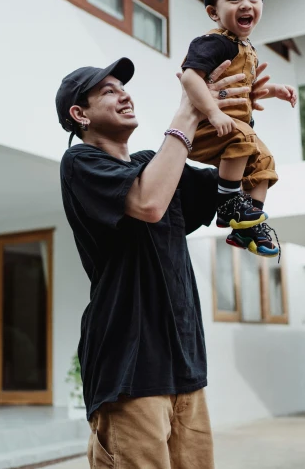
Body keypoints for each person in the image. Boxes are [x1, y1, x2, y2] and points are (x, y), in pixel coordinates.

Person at [57, 57, 261, 468]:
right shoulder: (80, 164)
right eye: (108, 90)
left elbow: (236, 195)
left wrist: (238, 112)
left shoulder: (155, 163)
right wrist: (189, 107)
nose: (124, 94)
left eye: (123, 87)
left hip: (185, 367)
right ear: (79, 114)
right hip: (129, 372)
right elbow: (148, 203)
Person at [180, 0, 296, 259]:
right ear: (213, 12)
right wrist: (214, 113)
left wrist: (274, 91)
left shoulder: (249, 48)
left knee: (265, 160)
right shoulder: (213, 42)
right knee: (244, 136)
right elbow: (191, 77)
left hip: (234, 135)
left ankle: (247, 224)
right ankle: (228, 204)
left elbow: (250, 89)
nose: (246, 4)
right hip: (209, 128)